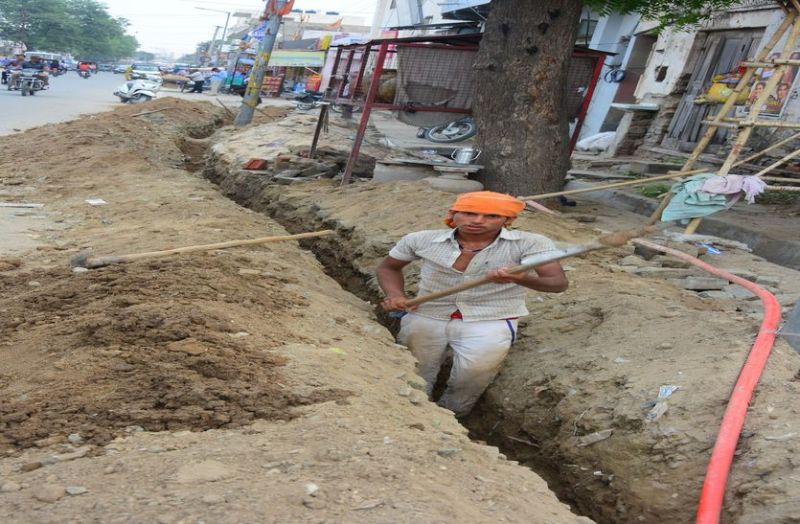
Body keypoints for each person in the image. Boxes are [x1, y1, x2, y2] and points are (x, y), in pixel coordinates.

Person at [376, 191, 568, 416]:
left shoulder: (530, 243)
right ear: (453, 214)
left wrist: (520, 278)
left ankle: (453, 419)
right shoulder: (421, 239)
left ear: (507, 220)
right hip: (428, 313)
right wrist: (395, 294)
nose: (477, 221)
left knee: (473, 376)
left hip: (489, 319)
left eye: (491, 216)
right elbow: (388, 267)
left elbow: (557, 283)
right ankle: (411, 414)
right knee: (415, 369)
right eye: (469, 213)